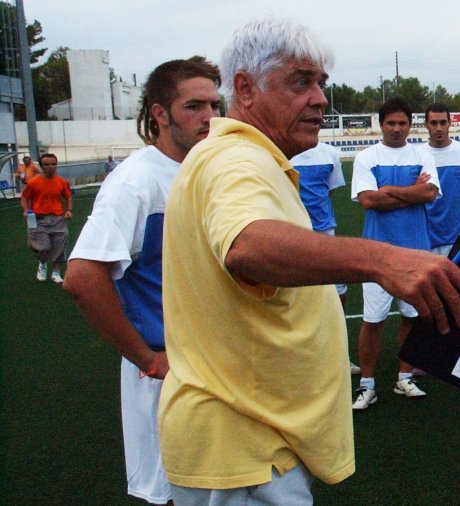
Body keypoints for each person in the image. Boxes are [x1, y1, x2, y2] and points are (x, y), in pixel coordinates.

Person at [157, 19, 460, 504]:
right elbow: (247, 244)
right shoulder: (234, 160)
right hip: (243, 452)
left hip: (252, 447)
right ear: (244, 87)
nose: (320, 99)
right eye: (301, 81)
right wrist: (384, 259)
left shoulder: (246, 158)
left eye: (321, 83)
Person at [63, 56, 222, 505]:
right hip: (168, 376)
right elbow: (82, 277)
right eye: (194, 106)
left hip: (218, 365)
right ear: (159, 112)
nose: (209, 117)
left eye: (214, 104)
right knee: (177, 493)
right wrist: (147, 359)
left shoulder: (207, 169)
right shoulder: (134, 182)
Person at [350, 97, 441, 410]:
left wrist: (388, 191)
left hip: (415, 252)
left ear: (410, 124)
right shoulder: (366, 157)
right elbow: (368, 202)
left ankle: (404, 377)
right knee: (372, 321)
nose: (397, 129)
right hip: (376, 253)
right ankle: (367, 385)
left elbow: (428, 193)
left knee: (412, 318)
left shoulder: (422, 155)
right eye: (391, 123)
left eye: (403, 123)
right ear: (381, 124)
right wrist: (410, 194)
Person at [290, 141, 361, 375]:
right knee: (295, 297)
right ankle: (300, 359)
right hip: (291, 232)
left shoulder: (329, 153)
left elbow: (329, 190)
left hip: (324, 230)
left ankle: (339, 357)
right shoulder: (281, 151)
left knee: (337, 294)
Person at [421, 102, 460, 256]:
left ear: (450, 123)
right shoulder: (417, 156)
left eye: (443, 122)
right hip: (426, 240)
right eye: (434, 123)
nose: (439, 128)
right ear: (426, 125)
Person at [21, 153, 72, 283]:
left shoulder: (61, 181)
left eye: (53, 164)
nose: (51, 167)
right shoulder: (34, 182)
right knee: (43, 247)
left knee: (60, 246)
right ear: (42, 166)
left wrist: (68, 210)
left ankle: (56, 272)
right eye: (47, 164)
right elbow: (25, 197)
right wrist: (26, 210)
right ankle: (42, 263)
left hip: (58, 219)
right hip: (39, 220)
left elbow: (68, 196)